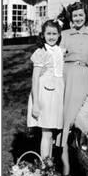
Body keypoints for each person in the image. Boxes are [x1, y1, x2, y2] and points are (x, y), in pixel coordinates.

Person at [58, 1, 88, 176]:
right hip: (66, 77)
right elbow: (57, 59)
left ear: (86, 15)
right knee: (66, 121)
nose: (77, 18)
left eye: (80, 14)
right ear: (71, 17)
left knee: (85, 119)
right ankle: (65, 166)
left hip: (84, 77)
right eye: (74, 15)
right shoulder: (64, 34)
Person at [27, 20, 64, 161]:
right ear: (43, 35)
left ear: (59, 34)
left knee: (51, 133)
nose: (51, 36)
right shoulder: (41, 52)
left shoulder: (60, 51)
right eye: (48, 33)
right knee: (46, 133)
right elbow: (35, 78)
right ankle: (45, 167)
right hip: (44, 96)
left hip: (56, 95)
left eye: (54, 33)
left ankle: (48, 166)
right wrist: (36, 104)